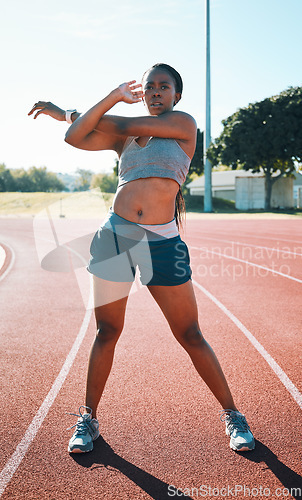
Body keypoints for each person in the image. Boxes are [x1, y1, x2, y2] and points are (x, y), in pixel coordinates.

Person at [28, 63, 255, 454]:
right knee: (107, 332)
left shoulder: (184, 125)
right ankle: (89, 419)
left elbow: (104, 123)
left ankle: (233, 415)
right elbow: (74, 137)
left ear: (176, 95)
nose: (154, 91)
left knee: (190, 334)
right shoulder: (126, 136)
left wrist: (76, 110)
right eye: (149, 86)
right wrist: (102, 100)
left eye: (163, 86)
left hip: (163, 244)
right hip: (116, 237)